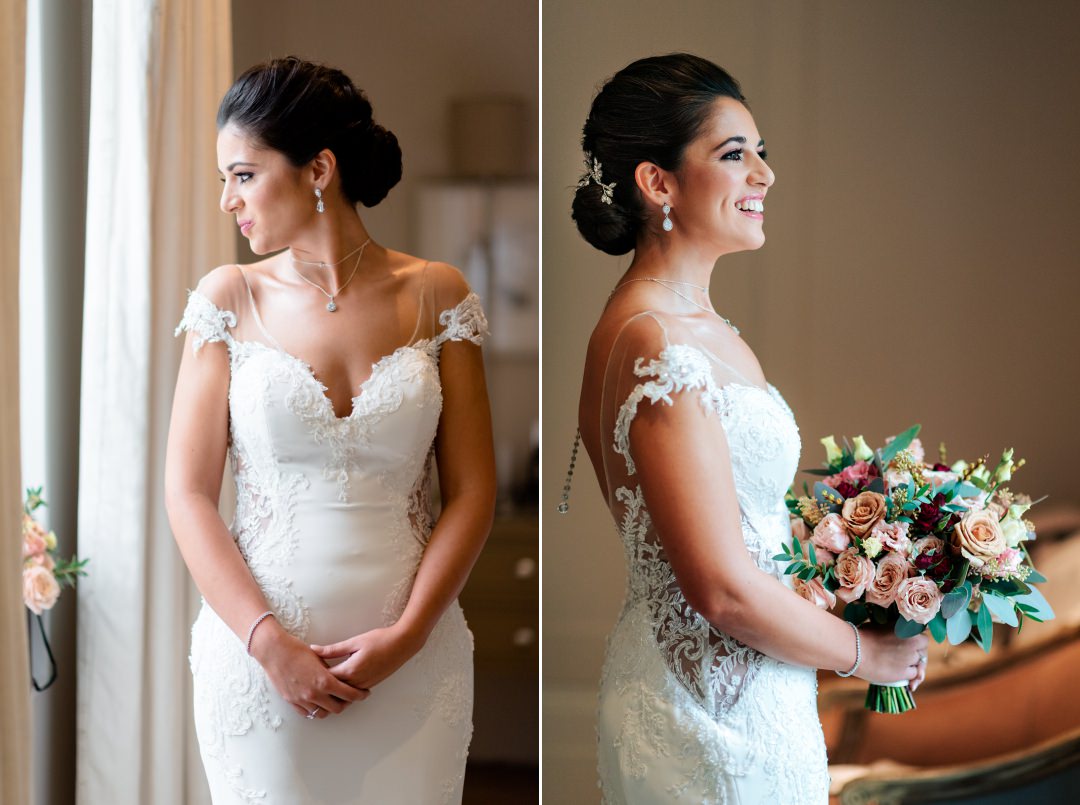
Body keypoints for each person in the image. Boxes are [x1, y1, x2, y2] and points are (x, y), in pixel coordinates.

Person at [566, 53, 927, 803]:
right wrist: (867, 654)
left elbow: (747, 539)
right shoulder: (651, 340)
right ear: (656, 181)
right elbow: (722, 589)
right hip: (706, 715)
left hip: (760, 695)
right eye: (735, 155)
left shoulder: (707, 331)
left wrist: (850, 574)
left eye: (763, 153)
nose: (764, 175)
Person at [164, 56, 495, 804]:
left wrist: (408, 637)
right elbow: (187, 494)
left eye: (243, 175)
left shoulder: (440, 295)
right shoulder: (229, 297)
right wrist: (268, 645)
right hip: (261, 674)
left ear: (318, 167)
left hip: (416, 672)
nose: (228, 201)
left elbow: (473, 492)